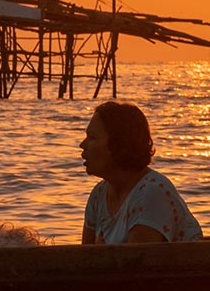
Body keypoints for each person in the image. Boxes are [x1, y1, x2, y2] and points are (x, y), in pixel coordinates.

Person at [80, 100, 201, 245]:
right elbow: (84, 259)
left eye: (92, 137)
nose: (83, 145)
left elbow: (138, 263)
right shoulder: (99, 195)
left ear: (119, 145)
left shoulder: (152, 194)